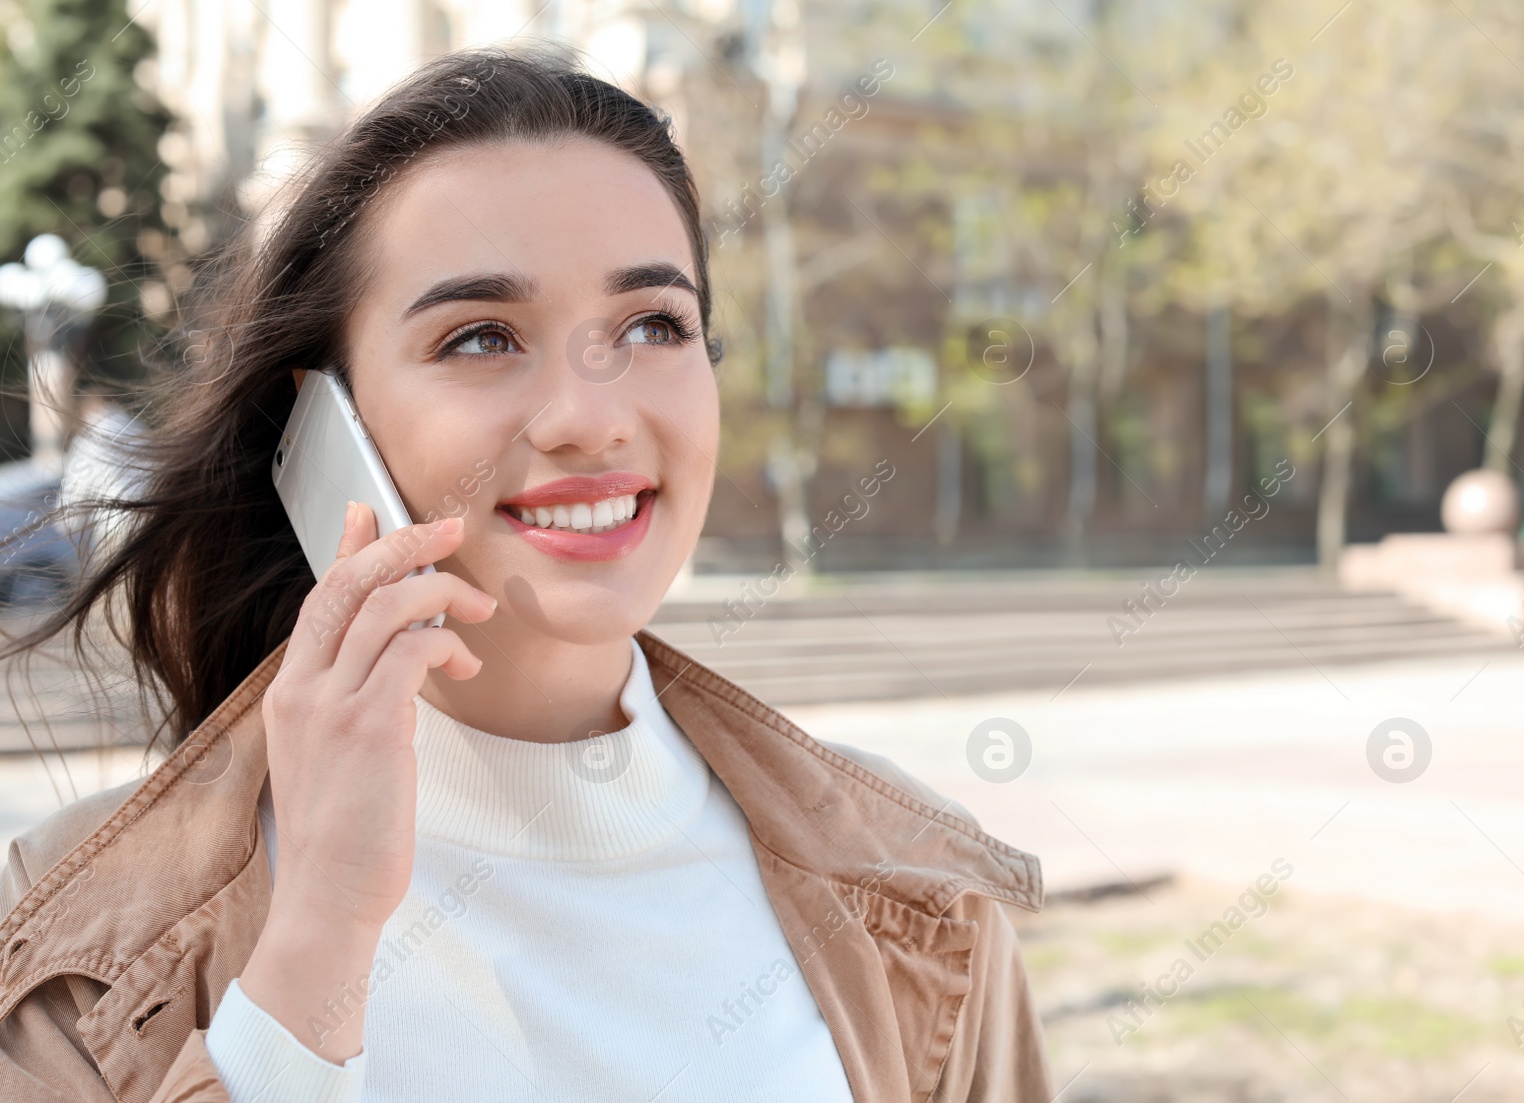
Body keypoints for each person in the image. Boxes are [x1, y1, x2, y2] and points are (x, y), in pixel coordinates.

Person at [0, 46, 1049, 1102]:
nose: (590, 417)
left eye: (652, 324)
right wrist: (319, 932)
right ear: (322, 422)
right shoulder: (70, 936)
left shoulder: (914, 895)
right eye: (482, 337)